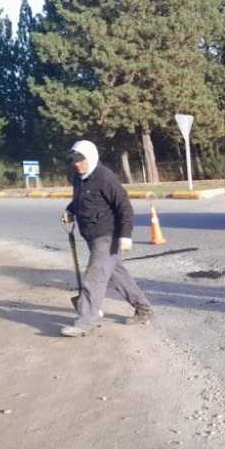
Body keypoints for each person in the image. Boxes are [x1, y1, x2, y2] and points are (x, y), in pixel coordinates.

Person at [60, 140, 153, 337]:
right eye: (74, 161)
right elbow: (80, 201)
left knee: (94, 277)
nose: (77, 164)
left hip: (108, 236)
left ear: (91, 157)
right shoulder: (78, 178)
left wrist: (126, 235)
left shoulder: (105, 177)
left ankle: (86, 321)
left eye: (80, 160)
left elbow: (124, 207)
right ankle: (144, 308)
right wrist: (70, 211)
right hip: (91, 237)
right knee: (117, 275)